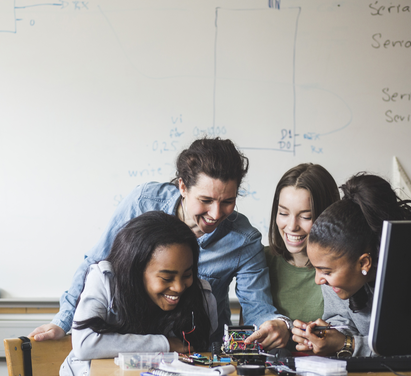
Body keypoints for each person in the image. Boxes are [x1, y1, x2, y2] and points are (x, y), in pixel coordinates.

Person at [30, 137, 291, 350]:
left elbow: (258, 309)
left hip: (197, 351)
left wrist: (276, 325)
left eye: (227, 201)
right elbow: (95, 264)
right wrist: (63, 321)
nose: (215, 213)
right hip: (131, 344)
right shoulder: (143, 203)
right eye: (206, 200)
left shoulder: (244, 239)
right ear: (182, 186)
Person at [54, 211, 217, 376]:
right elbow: (86, 344)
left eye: (187, 274)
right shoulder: (104, 280)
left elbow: (204, 354)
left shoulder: (201, 297)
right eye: (166, 278)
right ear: (136, 270)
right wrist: (167, 344)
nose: (179, 287)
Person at [290, 173, 411, 357]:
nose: (318, 279)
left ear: (364, 262)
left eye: (326, 271)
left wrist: (348, 344)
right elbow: (343, 320)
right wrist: (327, 336)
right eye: (316, 268)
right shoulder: (335, 282)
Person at [262, 163, 339, 324]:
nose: (291, 226)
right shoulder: (260, 261)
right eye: (283, 213)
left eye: (306, 217)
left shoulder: (343, 268)